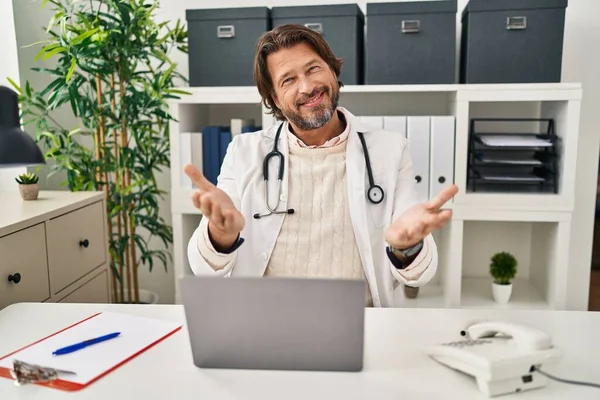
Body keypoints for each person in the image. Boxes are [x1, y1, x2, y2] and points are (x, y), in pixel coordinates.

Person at [184, 24, 458, 307]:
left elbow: (420, 275)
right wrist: (220, 235)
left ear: (333, 71)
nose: (307, 87)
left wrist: (406, 247)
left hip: (359, 321)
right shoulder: (244, 152)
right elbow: (203, 267)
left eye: (313, 69)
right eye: (288, 80)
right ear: (275, 98)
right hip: (266, 321)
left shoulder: (390, 149)